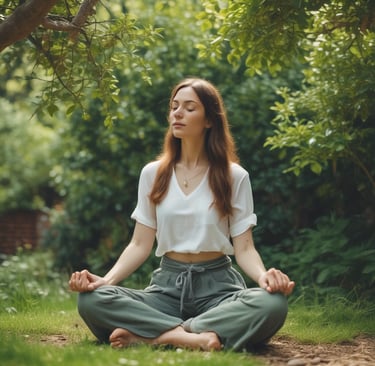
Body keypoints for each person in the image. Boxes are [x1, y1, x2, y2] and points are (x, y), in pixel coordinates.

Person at [69, 77, 295, 352]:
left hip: (219, 290)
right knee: (91, 301)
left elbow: (244, 247)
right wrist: (106, 281)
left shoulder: (234, 176)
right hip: (166, 289)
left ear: (209, 120)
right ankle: (194, 337)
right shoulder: (153, 173)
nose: (177, 113)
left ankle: (155, 335)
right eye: (174, 106)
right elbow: (139, 244)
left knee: (272, 304)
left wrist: (263, 279)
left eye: (189, 107)